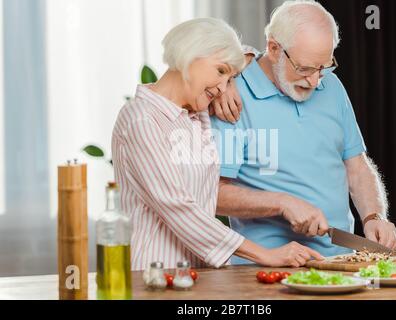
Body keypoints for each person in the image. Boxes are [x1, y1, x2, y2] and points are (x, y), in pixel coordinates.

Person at [111, 17, 323, 270]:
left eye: (229, 78)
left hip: (193, 275)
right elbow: (178, 207)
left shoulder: (195, 114)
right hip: (151, 275)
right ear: (189, 55)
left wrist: (229, 77)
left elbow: (256, 57)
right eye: (220, 71)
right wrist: (265, 255)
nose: (223, 88)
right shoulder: (141, 119)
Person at [210, 0, 396, 264]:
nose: (314, 81)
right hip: (266, 269)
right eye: (305, 68)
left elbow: (356, 164)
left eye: (324, 66)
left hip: (342, 263)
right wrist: (282, 203)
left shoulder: (331, 85)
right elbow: (213, 193)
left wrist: (374, 216)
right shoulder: (233, 98)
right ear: (274, 48)